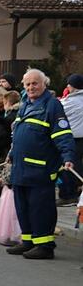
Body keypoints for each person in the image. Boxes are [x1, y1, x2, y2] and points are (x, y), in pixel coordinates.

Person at [5, 69, 76, 259]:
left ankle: (44, 245)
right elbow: (18, 135)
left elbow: (62, 134)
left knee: (40, 209)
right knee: (23, 207)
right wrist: (11, 154)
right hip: (21, 168)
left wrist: (67, 156)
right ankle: (28, 241)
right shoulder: (25, 105)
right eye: (27, 84)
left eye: (34, 83)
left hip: (40, 170)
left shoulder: (52, 106)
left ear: (44, 84)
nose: (30, 87)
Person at [57, 73, 83, 204]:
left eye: (69, 84)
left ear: (73, 86)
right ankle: (77, 190)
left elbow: (54, 113)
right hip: (80, 139)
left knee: (66, 166)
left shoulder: (69, 102)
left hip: (70, 138)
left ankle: (67, 195)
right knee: (78, 166)